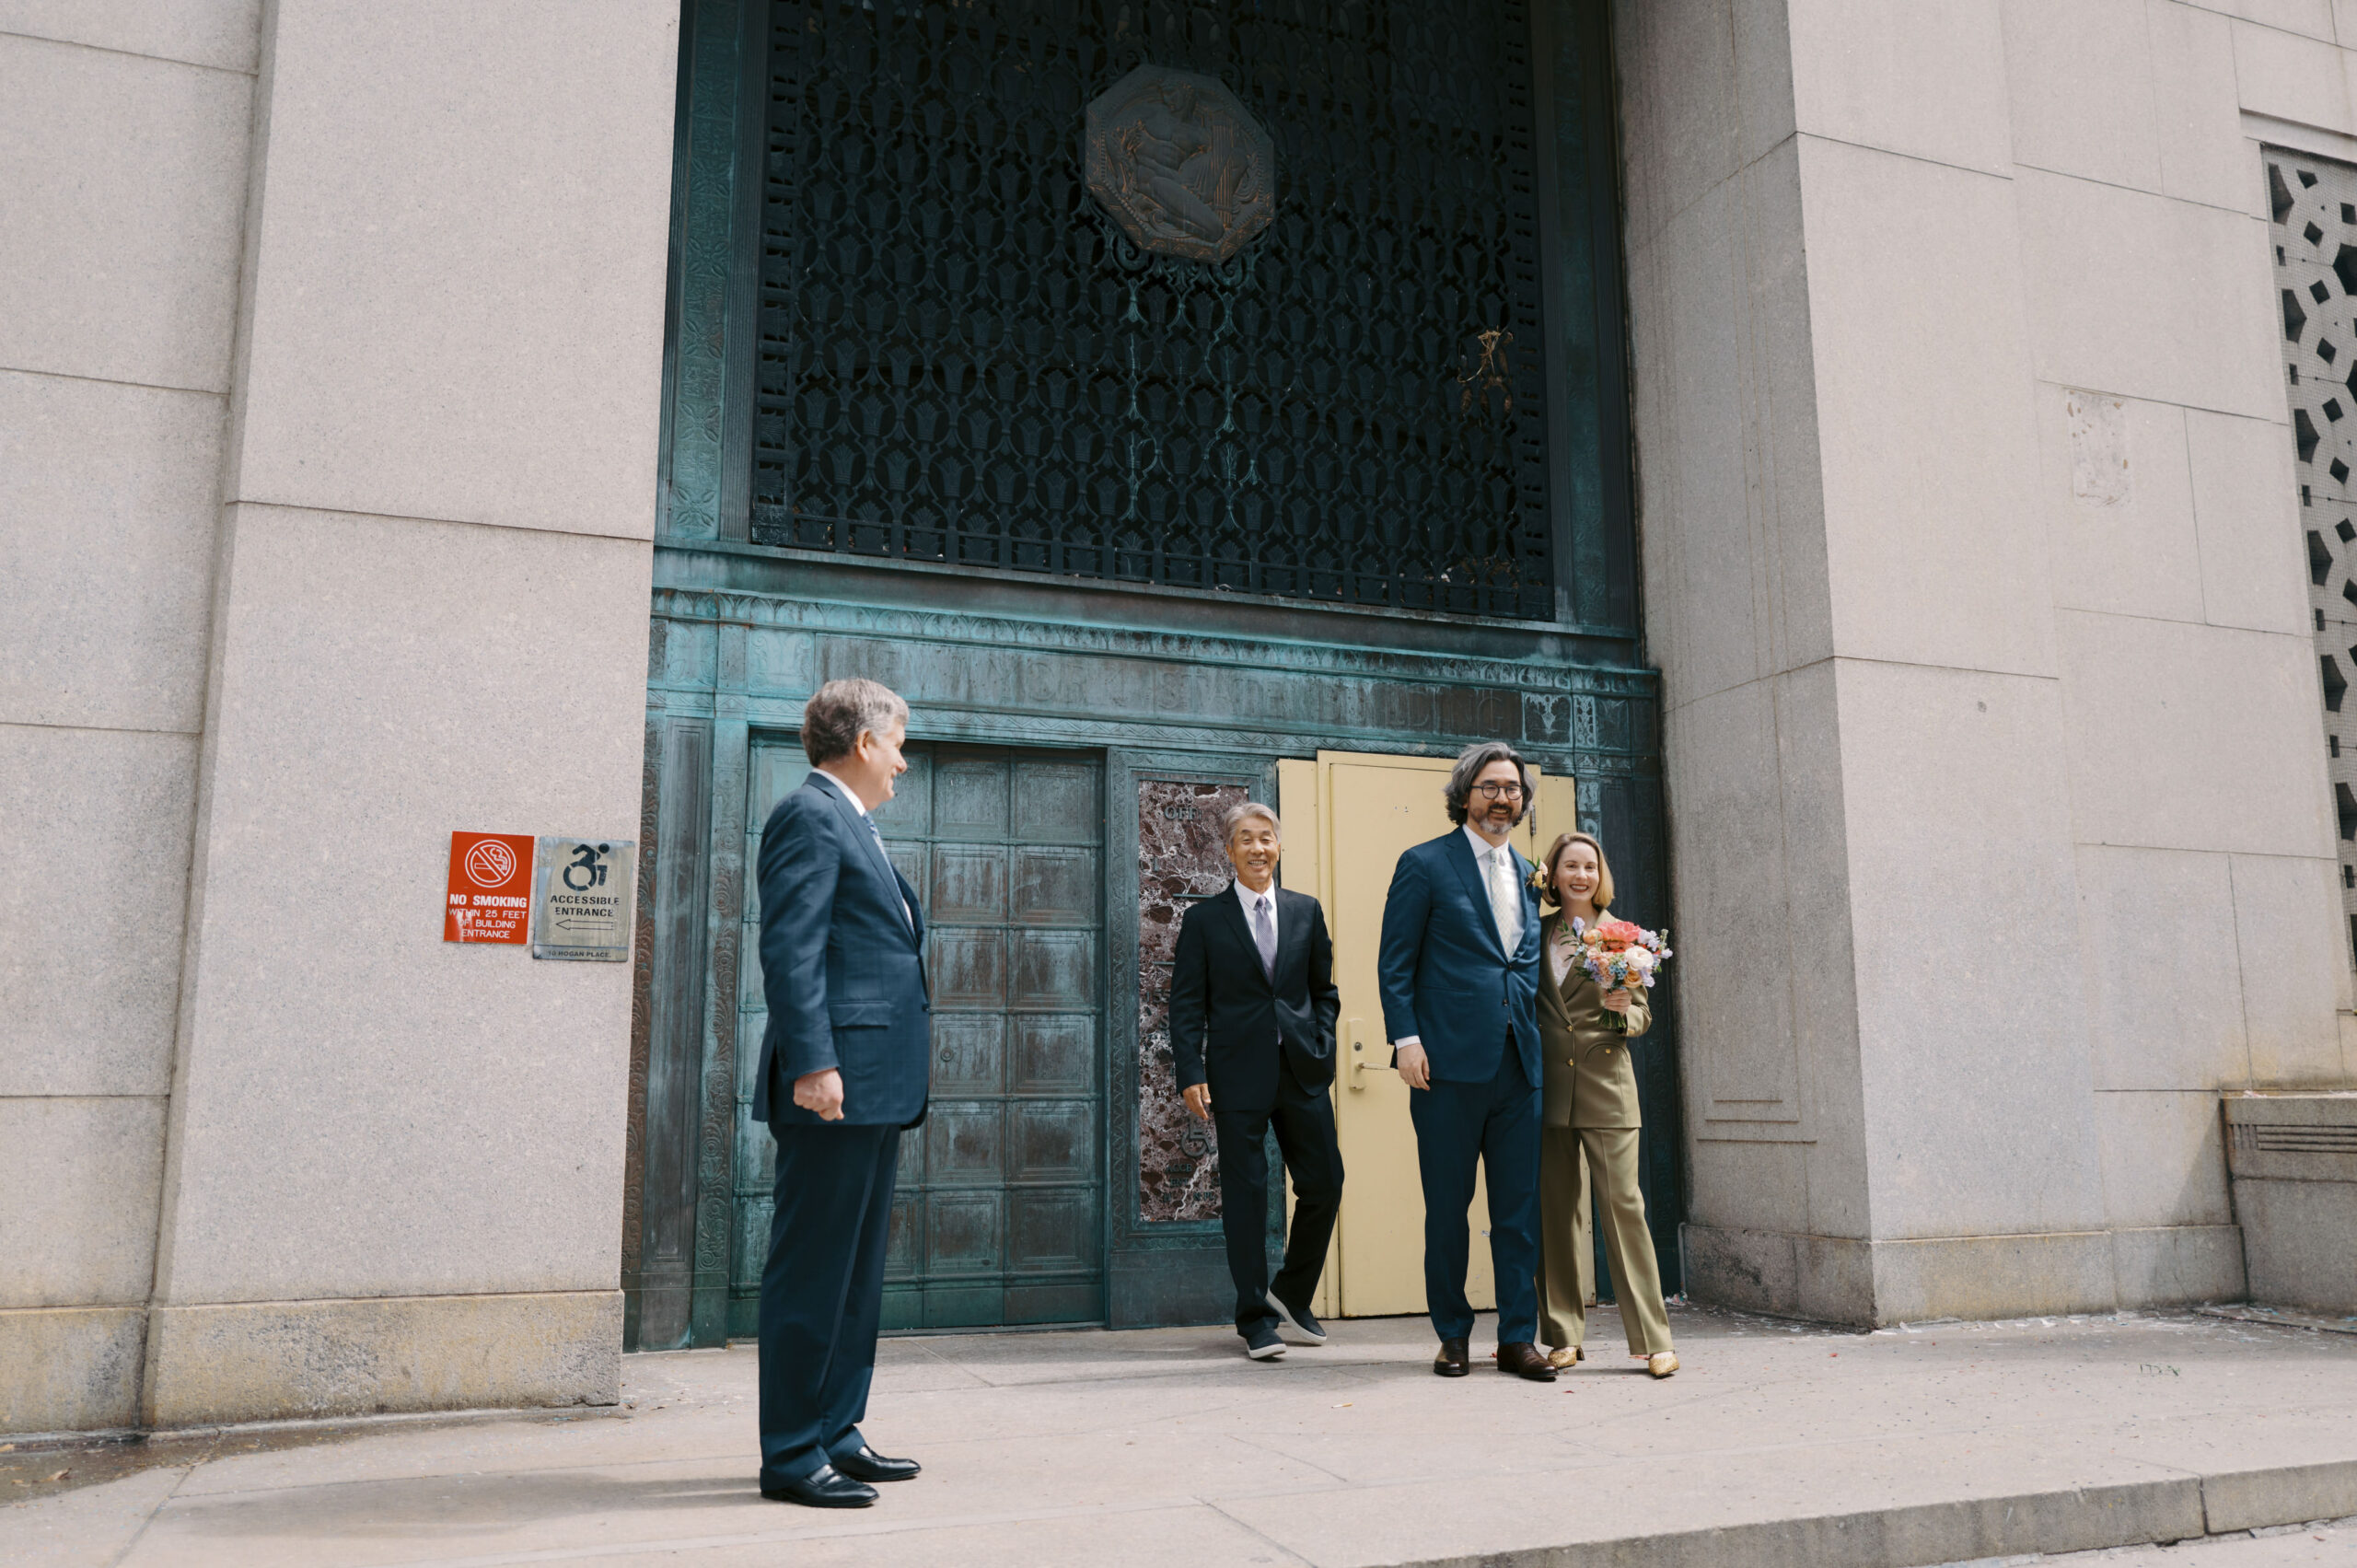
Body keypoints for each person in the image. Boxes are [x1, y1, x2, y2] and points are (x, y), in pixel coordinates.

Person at [751, 679, 932, 1507]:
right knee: (813, 1269)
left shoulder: (855, 824)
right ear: (862, 741)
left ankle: (836, 1429)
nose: (903, 757)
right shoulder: (810, 815)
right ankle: (791, 1453)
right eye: (896, 741)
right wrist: (813, 1063)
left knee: (856, 1273)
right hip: (835, 1085)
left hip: (877, 1088)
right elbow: (792, 950)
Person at [1376, 742, 1554, 1381]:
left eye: (1511, 787)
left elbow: (1528, 965)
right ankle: (1453, 1335)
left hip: (1519, 1067)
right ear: (1464, 794)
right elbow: (1395, 961)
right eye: (1489, 786)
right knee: (1448, 1210)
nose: (1502, 796)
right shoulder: (1424, 864)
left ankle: (1517, 1338)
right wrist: (1406, 1040)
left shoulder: (1534, 873)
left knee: (1518, 1212)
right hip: (1446, 1066)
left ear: (1523, 800)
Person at [1168, 802, 1345, 1362]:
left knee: (1325, 1184)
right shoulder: (1203, 920)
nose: (1257, 848)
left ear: (1278, 846)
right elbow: (1185, 1004)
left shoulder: (1305, 911)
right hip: (1235, 1076)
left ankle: (1292, 1290)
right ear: (1229, 851)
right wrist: (1191, 1072)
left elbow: (1325, 991)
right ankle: (1254, 1318)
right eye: (1245, 839)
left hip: (1301, 1070)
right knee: (1246, 1197)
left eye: (1266, 838)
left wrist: (1322, 1042)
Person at [1534, 831, 1678, 1378]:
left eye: (1589, 866)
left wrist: (1622, 1008)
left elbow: (1640, 1018)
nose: (1580, 875)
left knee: (1623, 1210)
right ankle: (1563, 1336)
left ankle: (1654, 1338)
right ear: (1553, 873)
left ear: (1601, 874)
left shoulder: (1623, 937)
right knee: (1557, 1215)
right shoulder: (1536, 933)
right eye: (1569, 865)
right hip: (1547, 1090)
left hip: (1607, 1090)